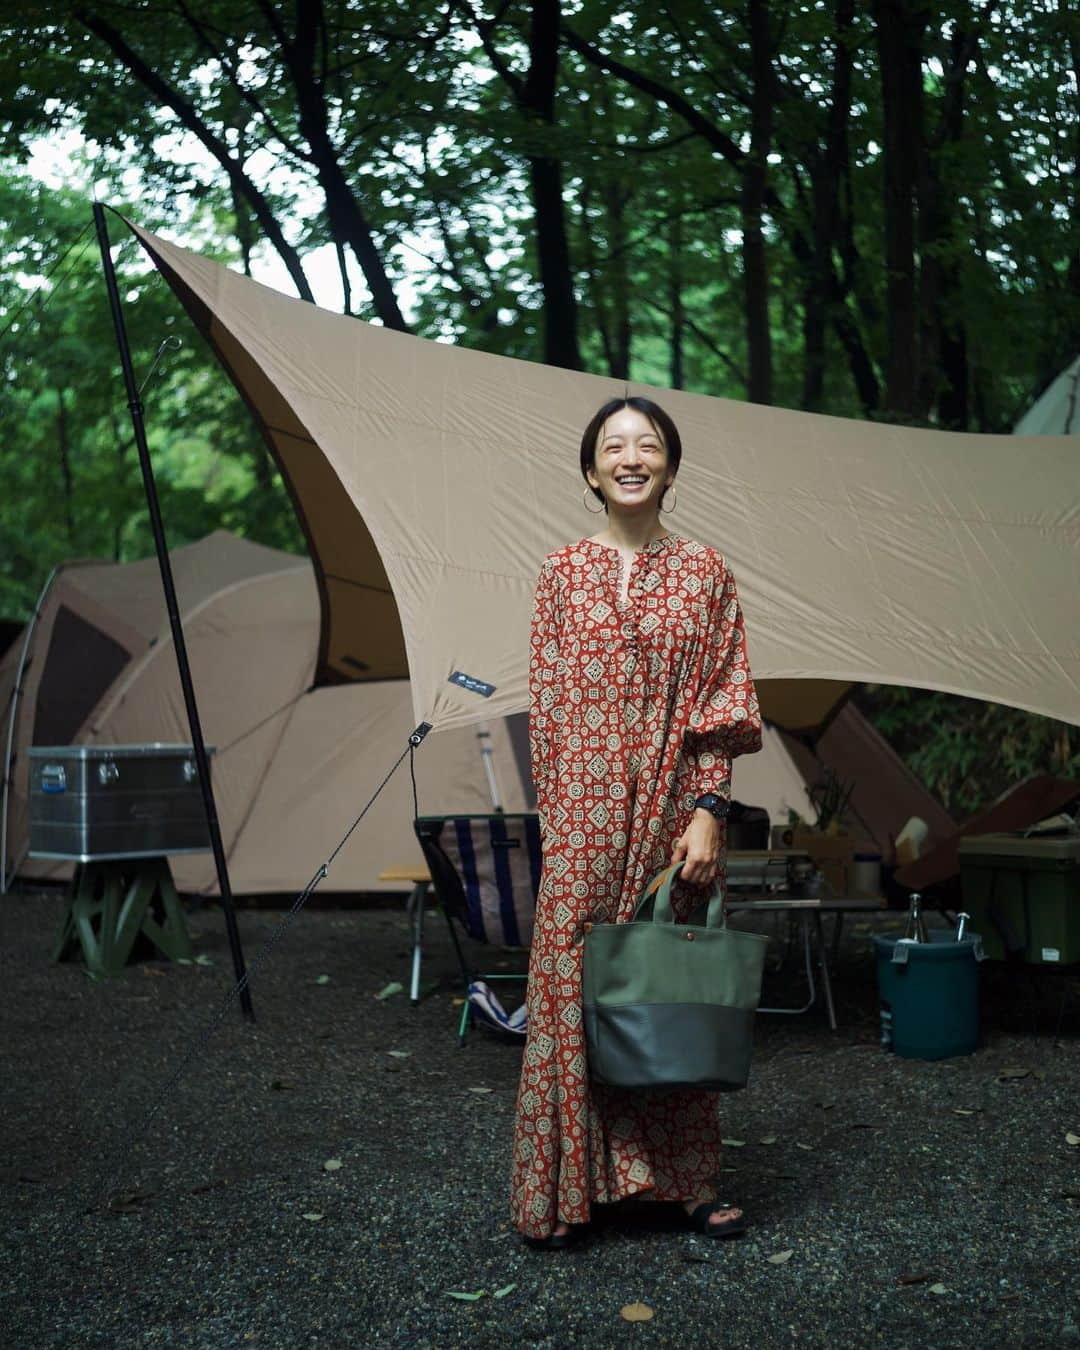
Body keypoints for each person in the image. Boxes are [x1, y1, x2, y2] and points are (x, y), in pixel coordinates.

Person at [510, 394, 763, 1250]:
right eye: (613, 445)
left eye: (646, 444)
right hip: (581, 816)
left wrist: (708, 811)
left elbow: (722, 699)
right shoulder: (558, 575)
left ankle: (685, 1187)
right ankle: (574, 1187)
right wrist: (567, 817)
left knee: (668, 988)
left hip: (673, 810)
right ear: (590, 470)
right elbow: (547, 712)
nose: (630, 456)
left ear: (669, 467)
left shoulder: (706, 574)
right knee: (573, 989)